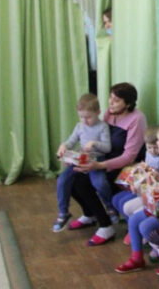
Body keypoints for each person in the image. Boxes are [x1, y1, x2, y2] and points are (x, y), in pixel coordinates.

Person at [68, 82, 147, 246]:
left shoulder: (137, 119)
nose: (111, 103)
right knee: (71, 177)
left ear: (128, 103)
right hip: (104, 159)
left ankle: (106, 226)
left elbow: (129, 157)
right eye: (110, 98)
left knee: (81, 182)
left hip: (123, 166)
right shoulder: (109, 114)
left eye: (116, 100)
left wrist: (98, 166)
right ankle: (90, 214)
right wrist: (85, 155)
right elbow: (99, 140)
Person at [114, 124, 159, 274]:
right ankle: (137, 258)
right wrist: (157, 179)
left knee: (144, 226)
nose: (157, 144)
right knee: (134, 220)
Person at [52, 94, 111, 232]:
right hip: (81, 160)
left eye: (88, 117)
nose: (85, 121)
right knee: (62, 180)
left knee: (99, 183)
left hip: (97, 160)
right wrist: (64, 146)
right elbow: (71, 141)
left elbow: (107, 147)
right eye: (81, 117)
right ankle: (63, 212)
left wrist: (95, 143)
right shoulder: (80, 126)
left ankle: (109, 206)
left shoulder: (103, 127)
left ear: (98, 112)